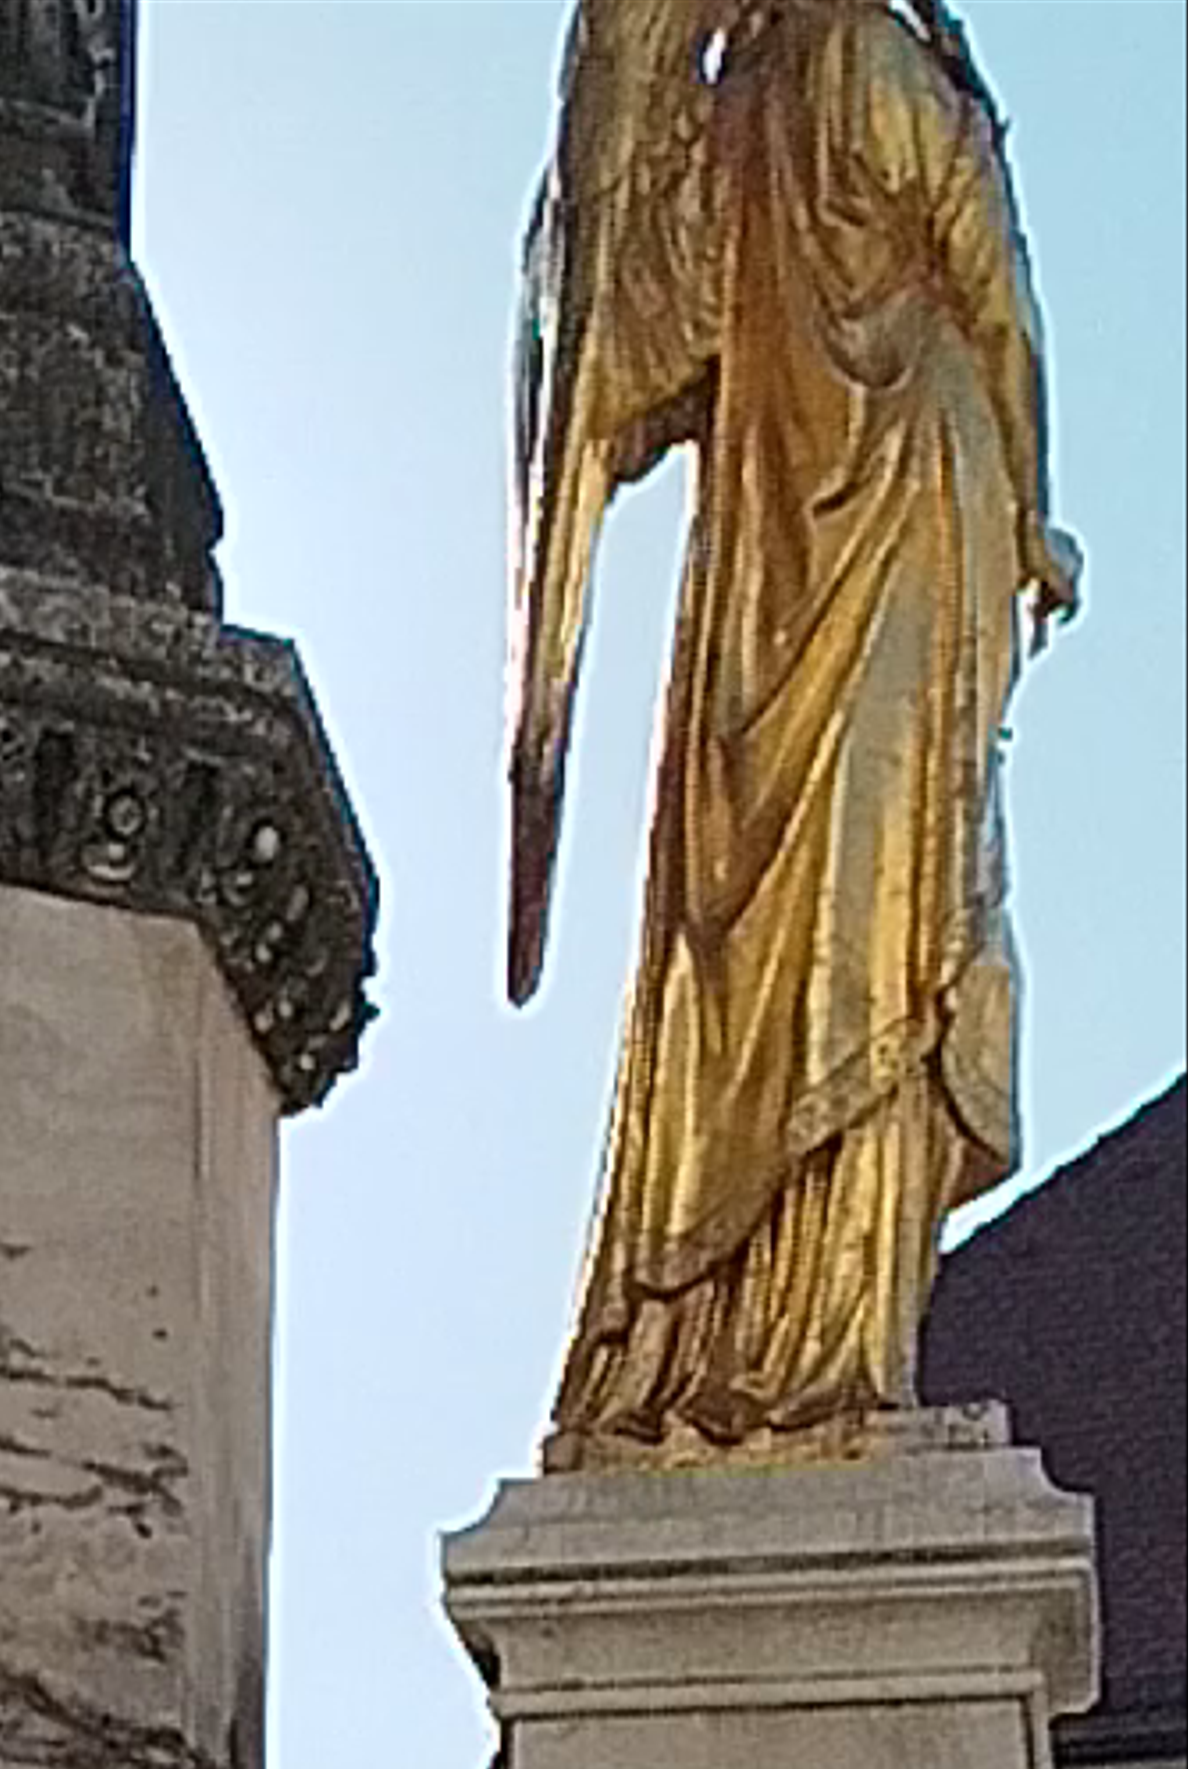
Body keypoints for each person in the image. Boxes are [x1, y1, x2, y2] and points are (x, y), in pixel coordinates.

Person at [511, 0, 1077, 1463]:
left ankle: (723, 1341)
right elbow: (995, 292)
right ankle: (830, 1354)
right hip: (912, 528)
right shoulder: (890, 75)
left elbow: (631, 359)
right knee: (891, 937)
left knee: (755, 941)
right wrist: (1036, 511)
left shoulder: (738, 103)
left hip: (763, 594)